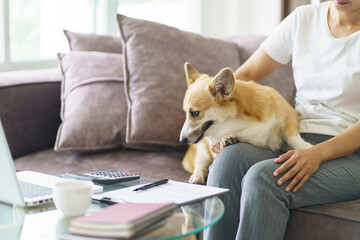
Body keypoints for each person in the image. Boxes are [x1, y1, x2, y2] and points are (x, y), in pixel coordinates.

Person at [204, 0, 360, 239]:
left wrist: (317, 154)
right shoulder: (304, 19)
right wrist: (218, 124)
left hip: (351, 153)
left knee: (265, 179)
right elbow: (246, 74)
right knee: (229, 160)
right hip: (299, 137)